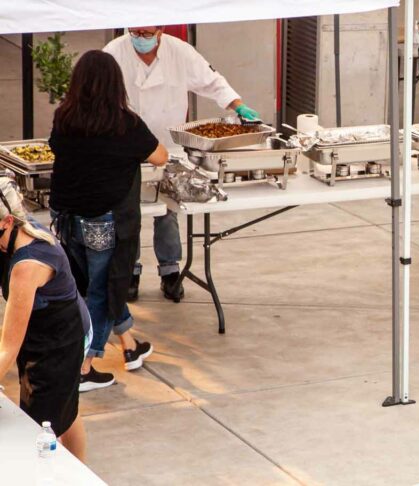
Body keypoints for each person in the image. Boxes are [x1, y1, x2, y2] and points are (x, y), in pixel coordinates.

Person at [104, 26, 259, 301]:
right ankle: (130, 271)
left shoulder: (180, 52)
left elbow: (213, 82)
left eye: (146, 33)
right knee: (128, 213)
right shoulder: (115, 52)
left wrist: (238, 106)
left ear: (160, 30)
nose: (140, 39)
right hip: (125, 145)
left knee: (168, 210)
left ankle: (170, 271)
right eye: (135, 33)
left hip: (168, 145)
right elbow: (96, 91)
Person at [49, 50, 169, 392]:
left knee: (92, 285)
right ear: (116, 84)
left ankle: (129, 346)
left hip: (65, 217)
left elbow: (56, 148)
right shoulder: (125, 123)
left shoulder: (64, 117)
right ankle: (84, 367)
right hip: (102, 221)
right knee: (101, 291)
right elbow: (160, 156)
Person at [0, 176, 89, 460]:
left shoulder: (28, 263)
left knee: (41, 426)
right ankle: (80, 472)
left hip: (61, 341)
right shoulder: (15, 227)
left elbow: (8, 349)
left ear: (7, 222)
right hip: (48, 328)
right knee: (65, 409)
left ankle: (65, 474)